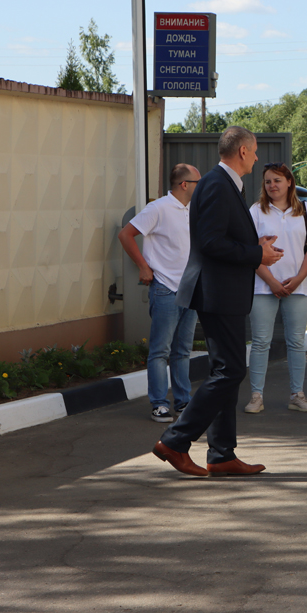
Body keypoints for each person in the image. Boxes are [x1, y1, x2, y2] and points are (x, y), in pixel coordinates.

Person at [153, 126, 283, 477]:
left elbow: (222, 236)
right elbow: (210, 242)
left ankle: (222, 454)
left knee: (225, 370)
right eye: (254, 151)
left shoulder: (224, 184)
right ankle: (175, 441)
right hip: (217, 292)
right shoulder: (216, 184)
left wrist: (256, 246)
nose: (256, 157)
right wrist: (257, 254)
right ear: (242, 151)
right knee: (231, 370)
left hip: (224, 291)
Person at [118, 163, 201, 423]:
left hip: (190, 288)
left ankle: (183, 401)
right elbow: (126, 234)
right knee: (160, 351)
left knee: (183, 350)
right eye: (198, 183)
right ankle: (159, 404)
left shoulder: (194, 209)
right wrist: (143, 267)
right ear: (184, 184)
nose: (202, 187)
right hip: (165, 288)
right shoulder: (158, 208)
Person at [243, 162, 307, 415]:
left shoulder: (305, 210)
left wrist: (299, 278)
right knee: (260, 342)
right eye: (268, 181)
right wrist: (272, 282)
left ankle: (297, 395)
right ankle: (256, 396)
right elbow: (250, 251)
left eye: (277, 180)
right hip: (262, 286)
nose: (272, 185)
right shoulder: (256, 211)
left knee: (296, 342)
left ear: (289, 182)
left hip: (298, 286)